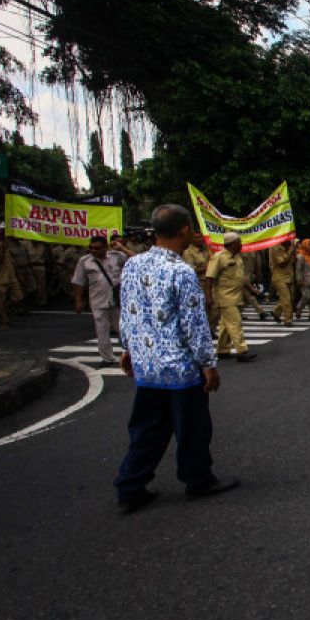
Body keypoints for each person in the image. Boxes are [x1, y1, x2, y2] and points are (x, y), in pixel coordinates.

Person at [114, 204, 239, 514]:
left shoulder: (133, 265)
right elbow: (194, 324)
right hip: (180, 368)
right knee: (193, 428)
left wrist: (128, 348)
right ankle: (198, 478)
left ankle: (130, 486)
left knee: (146, 429)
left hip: (147, 365)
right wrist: (208, 364)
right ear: (184, 230)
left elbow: (128, 313)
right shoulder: (180, 271)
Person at [205, 232, 257, 362]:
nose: (241, 244)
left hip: (237, 295)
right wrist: (208, 297)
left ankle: (222, 350)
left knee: (225, 325)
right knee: (235, 323)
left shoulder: (237, 257)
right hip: (225, 296)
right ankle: (242, 351)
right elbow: (209, 278)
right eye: (239, 242)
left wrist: (251, 288)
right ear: (232, 244)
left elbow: (241, 276)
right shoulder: (218, 257)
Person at [72, 236, 123, 364]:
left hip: (117, 300)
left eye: (97, 248)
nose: (94, 250)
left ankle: (130, 356)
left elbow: (136, 258)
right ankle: (107, 358)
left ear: (106, 248)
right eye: (91, 248)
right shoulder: (85, 261)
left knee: (122, 329)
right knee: (102, 331)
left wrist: (121, 247)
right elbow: (79, 281)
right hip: (98, 300)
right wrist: (78, 300)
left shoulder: (117, 256)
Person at [182, 231, 218, 333]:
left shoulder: (207, 249)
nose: (199, 239)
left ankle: (210, 329)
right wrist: (208, 268)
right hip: (199, 283)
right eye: (196, 238)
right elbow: (190, 270)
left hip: (211, 281)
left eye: (200, 237)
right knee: (202, 308)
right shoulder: (188, 252)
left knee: (215, 308)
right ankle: (203, 331)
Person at [269, 238, 297, 326]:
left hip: (289, 277)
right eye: (289, 241)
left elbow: (293, 262)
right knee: (286, 299)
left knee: (290, 298)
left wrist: (293, 254)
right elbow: (282, 264)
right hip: (279, 277)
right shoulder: (276, 248)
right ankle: (288, 320)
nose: (291, 243)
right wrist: (291, 254)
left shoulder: (289, 248)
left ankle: (276, 312)